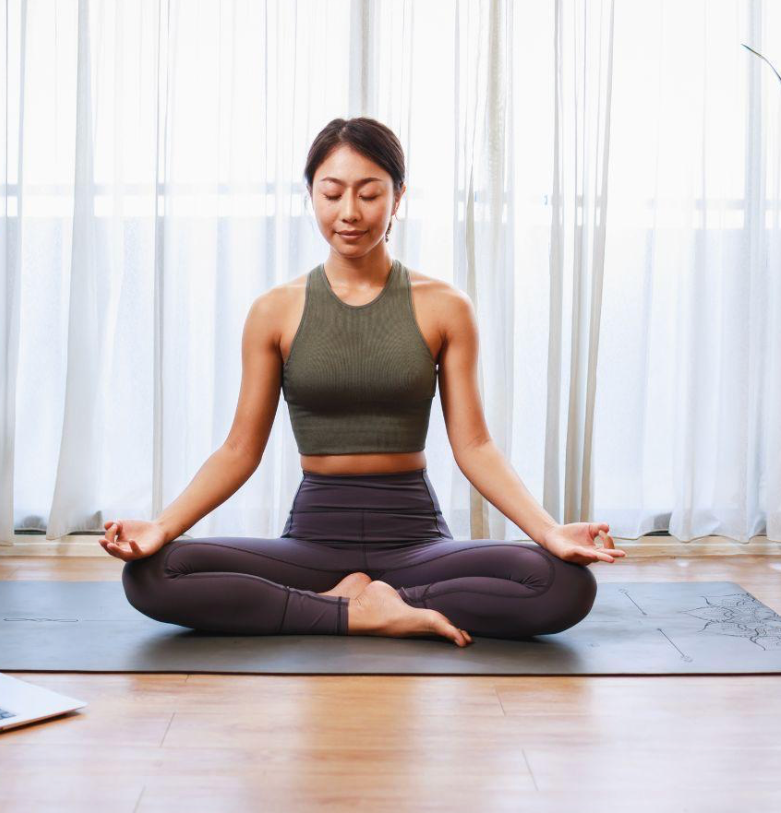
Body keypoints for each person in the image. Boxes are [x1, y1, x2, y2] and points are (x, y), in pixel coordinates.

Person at [100, 117, 625, 647]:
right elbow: (239, 449)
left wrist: (550, 532)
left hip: (415, 539)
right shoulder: (274, 312)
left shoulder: (444, 307)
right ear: (312, 196)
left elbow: (475, 445)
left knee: (565, 585)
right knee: (149, 575)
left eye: (370, 194)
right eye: (331, 194)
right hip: (314, 539)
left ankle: (366, 605)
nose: (348, 212)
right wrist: (161, 528)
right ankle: (360, 609)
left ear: (398, 198)